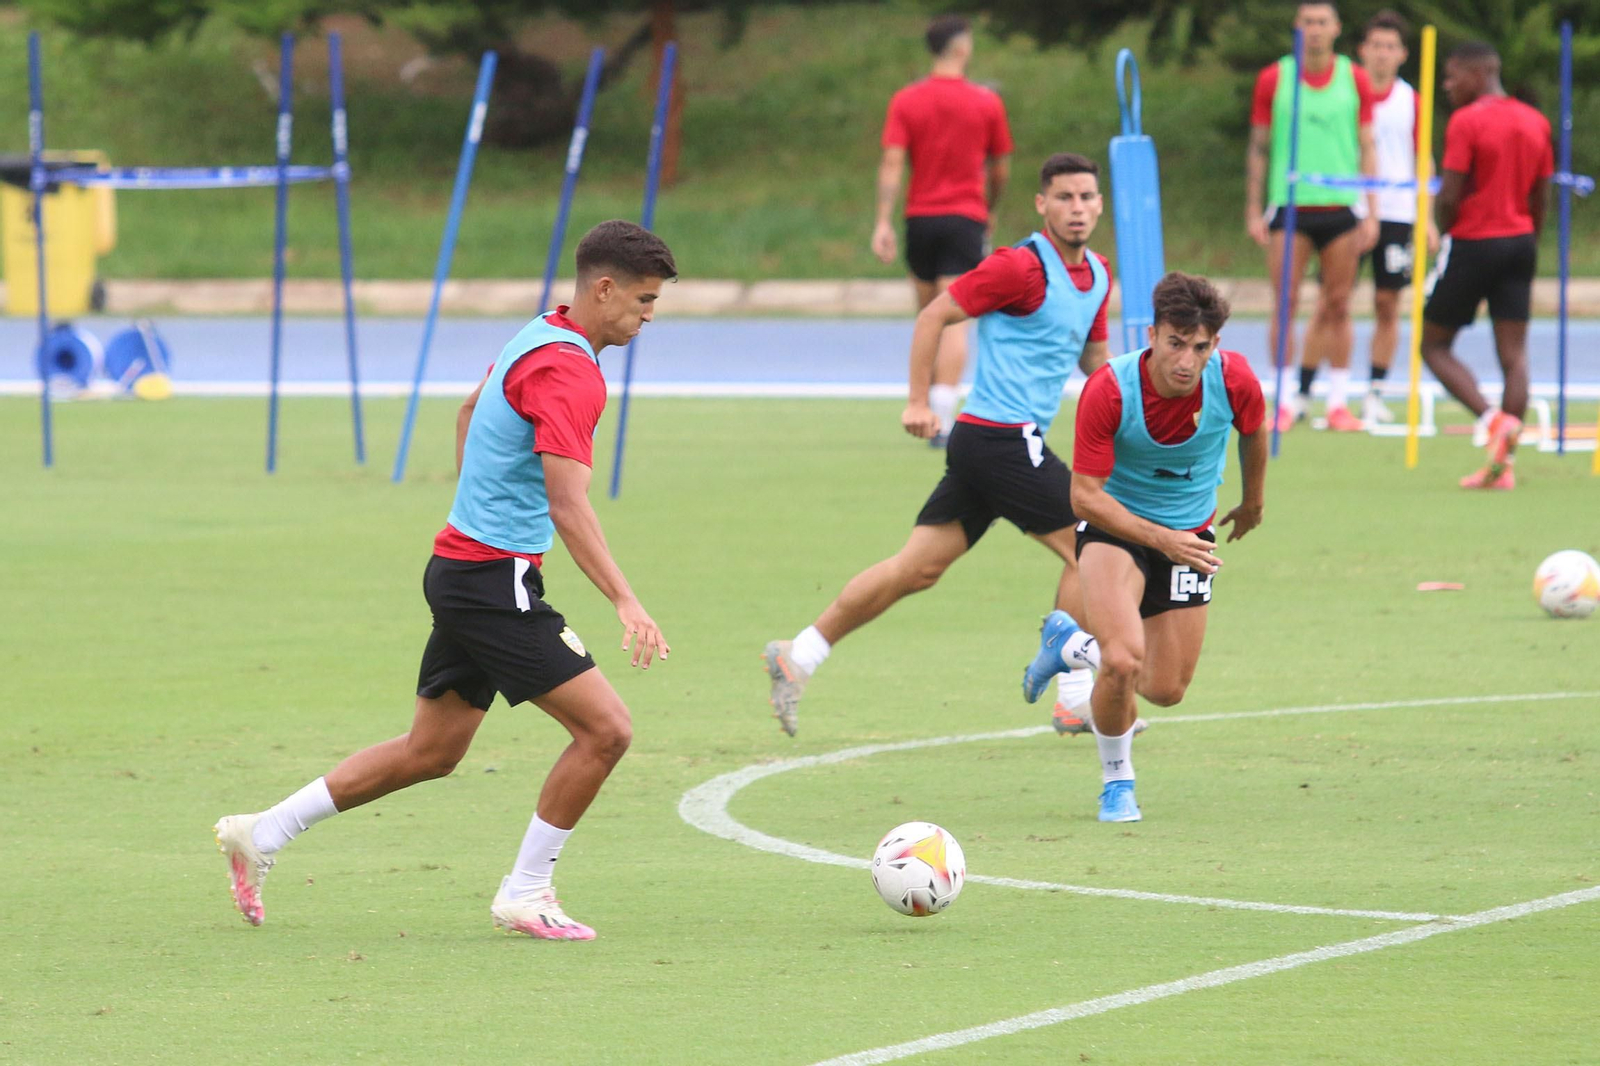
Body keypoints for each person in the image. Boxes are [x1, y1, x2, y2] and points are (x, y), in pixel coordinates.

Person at [214, 221, 677, 940]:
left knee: (431, 752)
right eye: (644, 300)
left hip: (463, 570)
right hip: (492, 582)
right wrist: (625, 599)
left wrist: (479, 511)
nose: (650, 316)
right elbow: (568, 503)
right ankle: (527, 892)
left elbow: (469, 410)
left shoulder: (539, 333)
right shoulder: (571, 372)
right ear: (606, 288)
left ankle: (261, 832)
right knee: (606, 730)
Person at [766, 152, 1112, 737]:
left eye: (1085, 197)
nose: (1076, 208)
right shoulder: (1018, 267)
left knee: (916, 569)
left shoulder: (1098, 275)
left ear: (1100, 205)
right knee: (1093, 545)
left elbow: (1094, 359)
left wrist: (1137, 403)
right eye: (1064, 197)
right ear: (1041, 204)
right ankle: (1075, 697)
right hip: (1001, 437)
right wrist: (919, 401)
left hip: (992, 446)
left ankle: (797, 654)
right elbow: (933, 315)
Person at [1023, 273, 1268, 822]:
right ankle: (1117, 782)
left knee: (1166, 688)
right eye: (1175, 343)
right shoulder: (1110, 389)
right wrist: (1162, 540)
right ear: (1152, 334)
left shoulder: (1234, 380)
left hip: (1190, 536)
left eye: (1200, 347)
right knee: (1121, 661)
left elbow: (1255, 428)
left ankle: (1069, 644)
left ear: (1216, 344)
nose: (1186, 360)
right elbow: (1084, 498)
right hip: (1115, 528)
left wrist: (1253, 502)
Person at [873, 14, 1014, 445]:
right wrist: (990, 207)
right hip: (964, 218)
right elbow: (1000, 168)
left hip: (920, 219)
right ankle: (944, 417)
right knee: (953, 319)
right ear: (962, 47)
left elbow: (893, 162)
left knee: (927, 315)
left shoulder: (906, 100)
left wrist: (883, 220)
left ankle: (926, 407)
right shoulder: (986, 102)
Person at [1246, 0, 1380, 433]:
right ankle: (1283, 401)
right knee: (1284, 302)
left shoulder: (1354, 78)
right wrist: (1253, 207)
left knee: (1338, 304)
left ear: (1336, 28)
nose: (1315, 29)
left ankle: (1337, 402)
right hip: (1290, 206)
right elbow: (1259, 146)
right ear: (1297, 26)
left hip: (1341, 206)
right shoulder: (1276, 77)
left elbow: (1367, 145)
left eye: (1323, 22)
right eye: (1308, 22)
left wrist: (1371, 210)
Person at [1422, 41, 1552, 490]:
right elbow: (1541, 195)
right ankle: (1503, 468)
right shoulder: (1535, 121)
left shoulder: (1467, 120)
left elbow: (1450, 194)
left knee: (1433, 345)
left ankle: (1495, 421)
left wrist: (1447, 231)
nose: (1448, 85)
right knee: (1514, 355)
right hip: (1521, 242)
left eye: (1453, 75)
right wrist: (1529, 239)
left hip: (1476, 241)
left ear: (1479, 74)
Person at [1356, 9, 1438, 426]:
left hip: (1398, 213)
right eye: (1376, 46)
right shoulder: (1349, 93)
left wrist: (1428, 217)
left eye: (1390, 46)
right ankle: (1317, 390)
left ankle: (1374, 391)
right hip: (1353, 210)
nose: (1383, 54)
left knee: (1388, 303)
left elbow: (1424, 157)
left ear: (1402, 53)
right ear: (1363, 50)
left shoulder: (1411, 100)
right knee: (1333, 299)